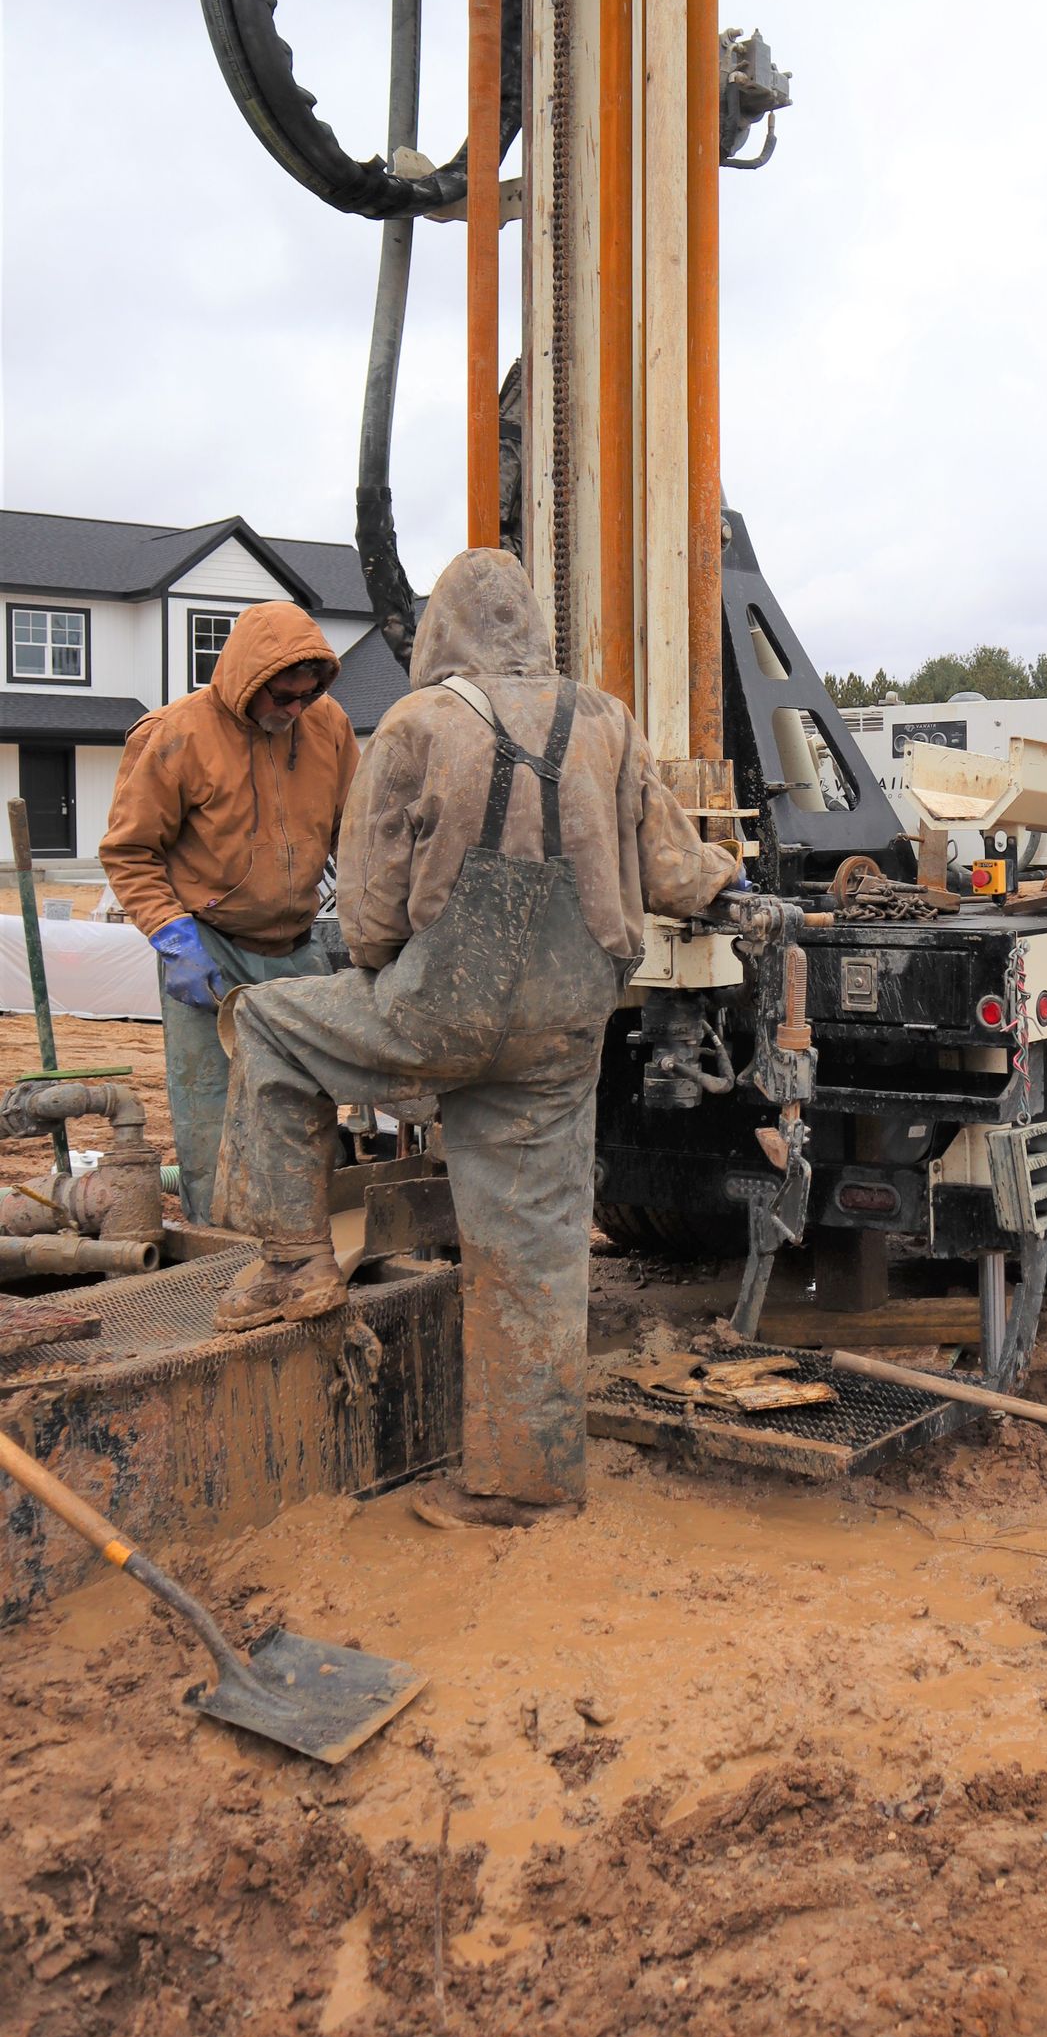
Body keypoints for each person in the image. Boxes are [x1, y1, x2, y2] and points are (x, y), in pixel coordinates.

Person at [209, 549, 741, 1529]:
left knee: (271, 1027)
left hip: (442, 1009)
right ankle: (520, 1489)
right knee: (534, 1252)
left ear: (444, 632)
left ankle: (293, 1259)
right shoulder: (608, 719)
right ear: (535, 627)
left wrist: (406, 992)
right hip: (564, 1028)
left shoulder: (416, 723)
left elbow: (369, 921)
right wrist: (734, 887)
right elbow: (675, 871)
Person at [100, 604, 356, 1220]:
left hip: (297, 945)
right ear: (247, 679)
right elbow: (130, 851)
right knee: (212, 1119)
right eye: (284, 695)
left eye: (309, 695)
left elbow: (357, 833)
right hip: (207, 947)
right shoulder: (176, 734)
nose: (296, 709)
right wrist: (172, 936)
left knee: (304, 1108)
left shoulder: (328, 726)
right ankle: (217, 1251)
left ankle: (304, 1246)